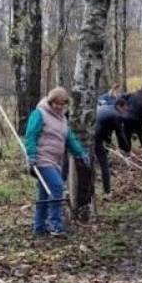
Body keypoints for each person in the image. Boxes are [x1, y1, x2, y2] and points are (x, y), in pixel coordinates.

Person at [25, 87, 91, 237]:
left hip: (55, 162)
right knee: (57, 187)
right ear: (51, 101)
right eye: (56, 103)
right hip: (41, 160)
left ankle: (39, 227)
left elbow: (69, 139)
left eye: (62, 104)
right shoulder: (39, 114)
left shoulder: (62, 119)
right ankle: (56, 225)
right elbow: (31, 135)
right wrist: (32, 154)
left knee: (43, 194)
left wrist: (81, 153)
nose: (59, 107)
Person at [94, 98, 131, 197]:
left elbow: (106, 128)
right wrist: (127, 150)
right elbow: (120, 135)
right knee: (104, 165)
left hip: (88, 133)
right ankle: (107, 192)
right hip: (96, 137)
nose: (124, 112)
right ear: (120, 106)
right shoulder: (116, 115)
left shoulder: (106, 107)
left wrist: (108, 142)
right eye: (124, 109)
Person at [121, 85, 142, 159]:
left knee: (127, 136)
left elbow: (122, 98)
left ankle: (128, 153)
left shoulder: (132, 94)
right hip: (137, 119)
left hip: (126, 117)